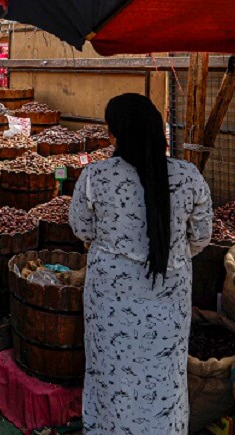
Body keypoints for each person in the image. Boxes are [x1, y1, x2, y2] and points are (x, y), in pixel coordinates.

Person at [68, 93, 213, 433]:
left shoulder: (96, 176)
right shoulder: (188, 176)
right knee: (164, 376)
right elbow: (202, 235)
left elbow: (81, 229)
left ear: (116, 134)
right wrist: (172, 255)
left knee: (112, 372)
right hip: (170, 293)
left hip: (110, 299)